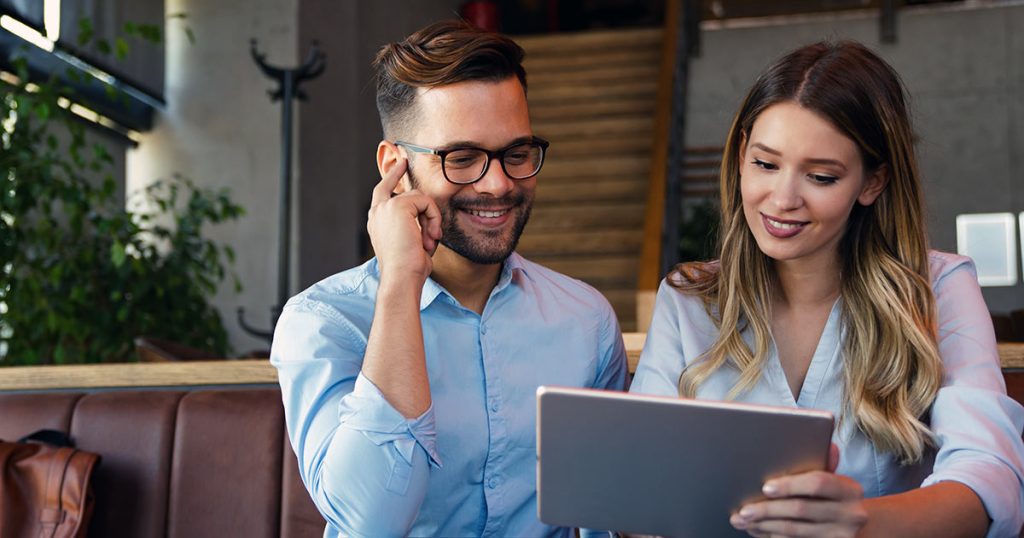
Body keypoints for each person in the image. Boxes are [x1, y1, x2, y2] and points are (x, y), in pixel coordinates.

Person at [631, 40, 1024, 537]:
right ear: (740, 157)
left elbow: (991, 480)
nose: (781, 199)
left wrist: (857, 526)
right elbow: (639, 489)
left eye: (820, 176)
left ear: (872, 182)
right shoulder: (688, 299)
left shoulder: (939, 288)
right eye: (765, 164)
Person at [270, 20, 627, 537]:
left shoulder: (586, 320)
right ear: (395, 165)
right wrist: (399, 284)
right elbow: (372, 521)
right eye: (462, 158)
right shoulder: (324, 322)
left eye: (517, 154)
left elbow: (603, 516)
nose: (499, 183)